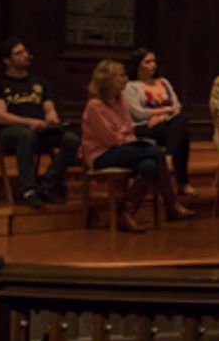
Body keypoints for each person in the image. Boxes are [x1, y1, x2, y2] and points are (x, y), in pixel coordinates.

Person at [79, 60, 195, 232]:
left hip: (122, 147)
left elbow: (128, 128)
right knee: (155, 152)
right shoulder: (95, 105)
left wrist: (128, 137)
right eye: (121, 75)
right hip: (101, 154)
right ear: (107, 79)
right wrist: (128, 138)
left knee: (149, 165)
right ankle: (171, 205)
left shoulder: (121, 101)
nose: (125, 79)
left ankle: (126, 212)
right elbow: (111, 138)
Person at [0, 38, 80, 209]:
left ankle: (47, 186)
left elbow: (49, 108)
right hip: (11, 132)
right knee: (26, 134)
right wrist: (29, 122)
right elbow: (1, 116)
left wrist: (52, 119)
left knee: (71, 140)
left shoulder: (39, 83)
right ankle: (28, 190)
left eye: (25, 51)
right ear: (7, 61)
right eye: (18, 53)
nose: (25, 55)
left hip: (40, 130)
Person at [124, 48, 195, 198]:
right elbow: (138, 113)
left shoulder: (163, 82)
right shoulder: (131, 87)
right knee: (182, 135)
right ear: (138, 65)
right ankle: (182, 182)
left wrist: (163, 116)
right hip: (144, 126)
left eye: (154, 61)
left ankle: (168, 156)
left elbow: (177, 107)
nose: (153, 65)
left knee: (182, 122)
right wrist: (165, 111)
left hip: (166, 124)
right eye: (148, 62)